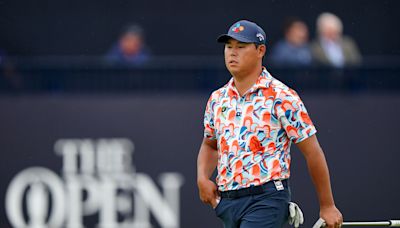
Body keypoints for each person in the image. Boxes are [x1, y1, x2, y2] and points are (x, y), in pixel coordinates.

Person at [197, 19, 343, 228]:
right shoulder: (217, 99)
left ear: (260, 50)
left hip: (266, 200)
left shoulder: (281, 96)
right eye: (229, 47)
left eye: (241, 47)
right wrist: (202, 178)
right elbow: (210, 145)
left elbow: (313, 151)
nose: (232, 53)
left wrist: (327, 205)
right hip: (227, 204)